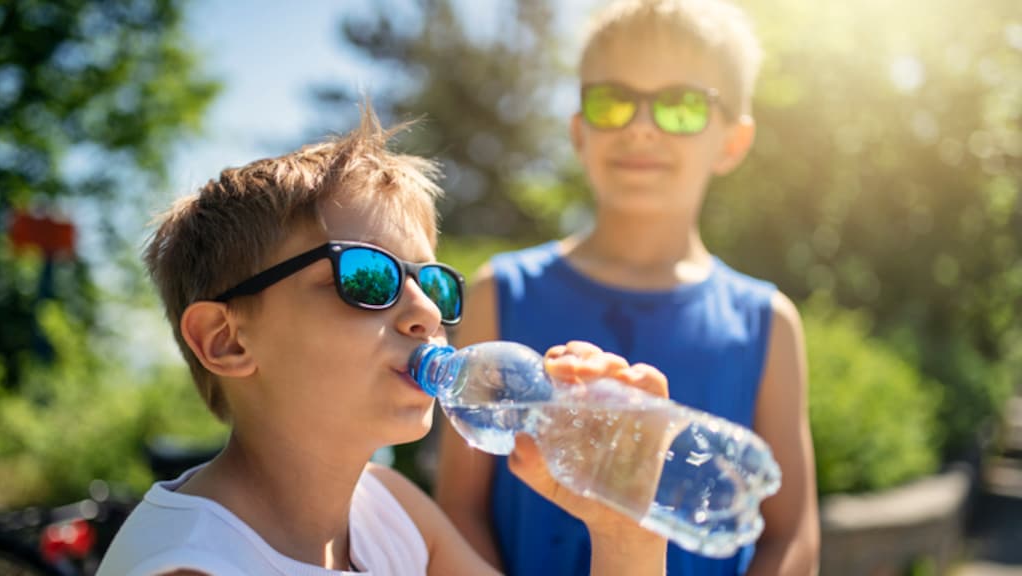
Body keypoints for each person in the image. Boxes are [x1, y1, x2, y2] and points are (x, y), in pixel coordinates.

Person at [96, 105, 671, 576]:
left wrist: (625, 527)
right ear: (227, 341)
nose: (425, 312)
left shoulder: (390, 509)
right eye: (368, 278)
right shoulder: (197, 565)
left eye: (436, 284)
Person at [434, 0, 820, 574]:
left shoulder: (767, 322)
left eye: (683, 105)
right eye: (613, 101)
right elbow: (459, 512)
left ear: (733, 142)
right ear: (579, 131)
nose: (641, 125)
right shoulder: (501, 294)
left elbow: (792, 537)